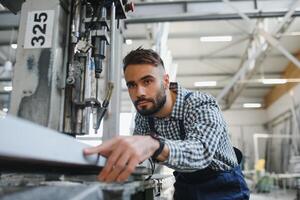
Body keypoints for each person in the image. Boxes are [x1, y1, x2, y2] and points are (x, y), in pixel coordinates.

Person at [84, 47, 250, 200]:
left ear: (165, 81)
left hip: (225, 189)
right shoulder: (144, 114)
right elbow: (142, 156)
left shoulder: (200, 104)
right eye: (132, 85)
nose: (139, 93)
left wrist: (155, 145)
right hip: (186, 187)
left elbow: (201, 152)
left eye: (147, 81)